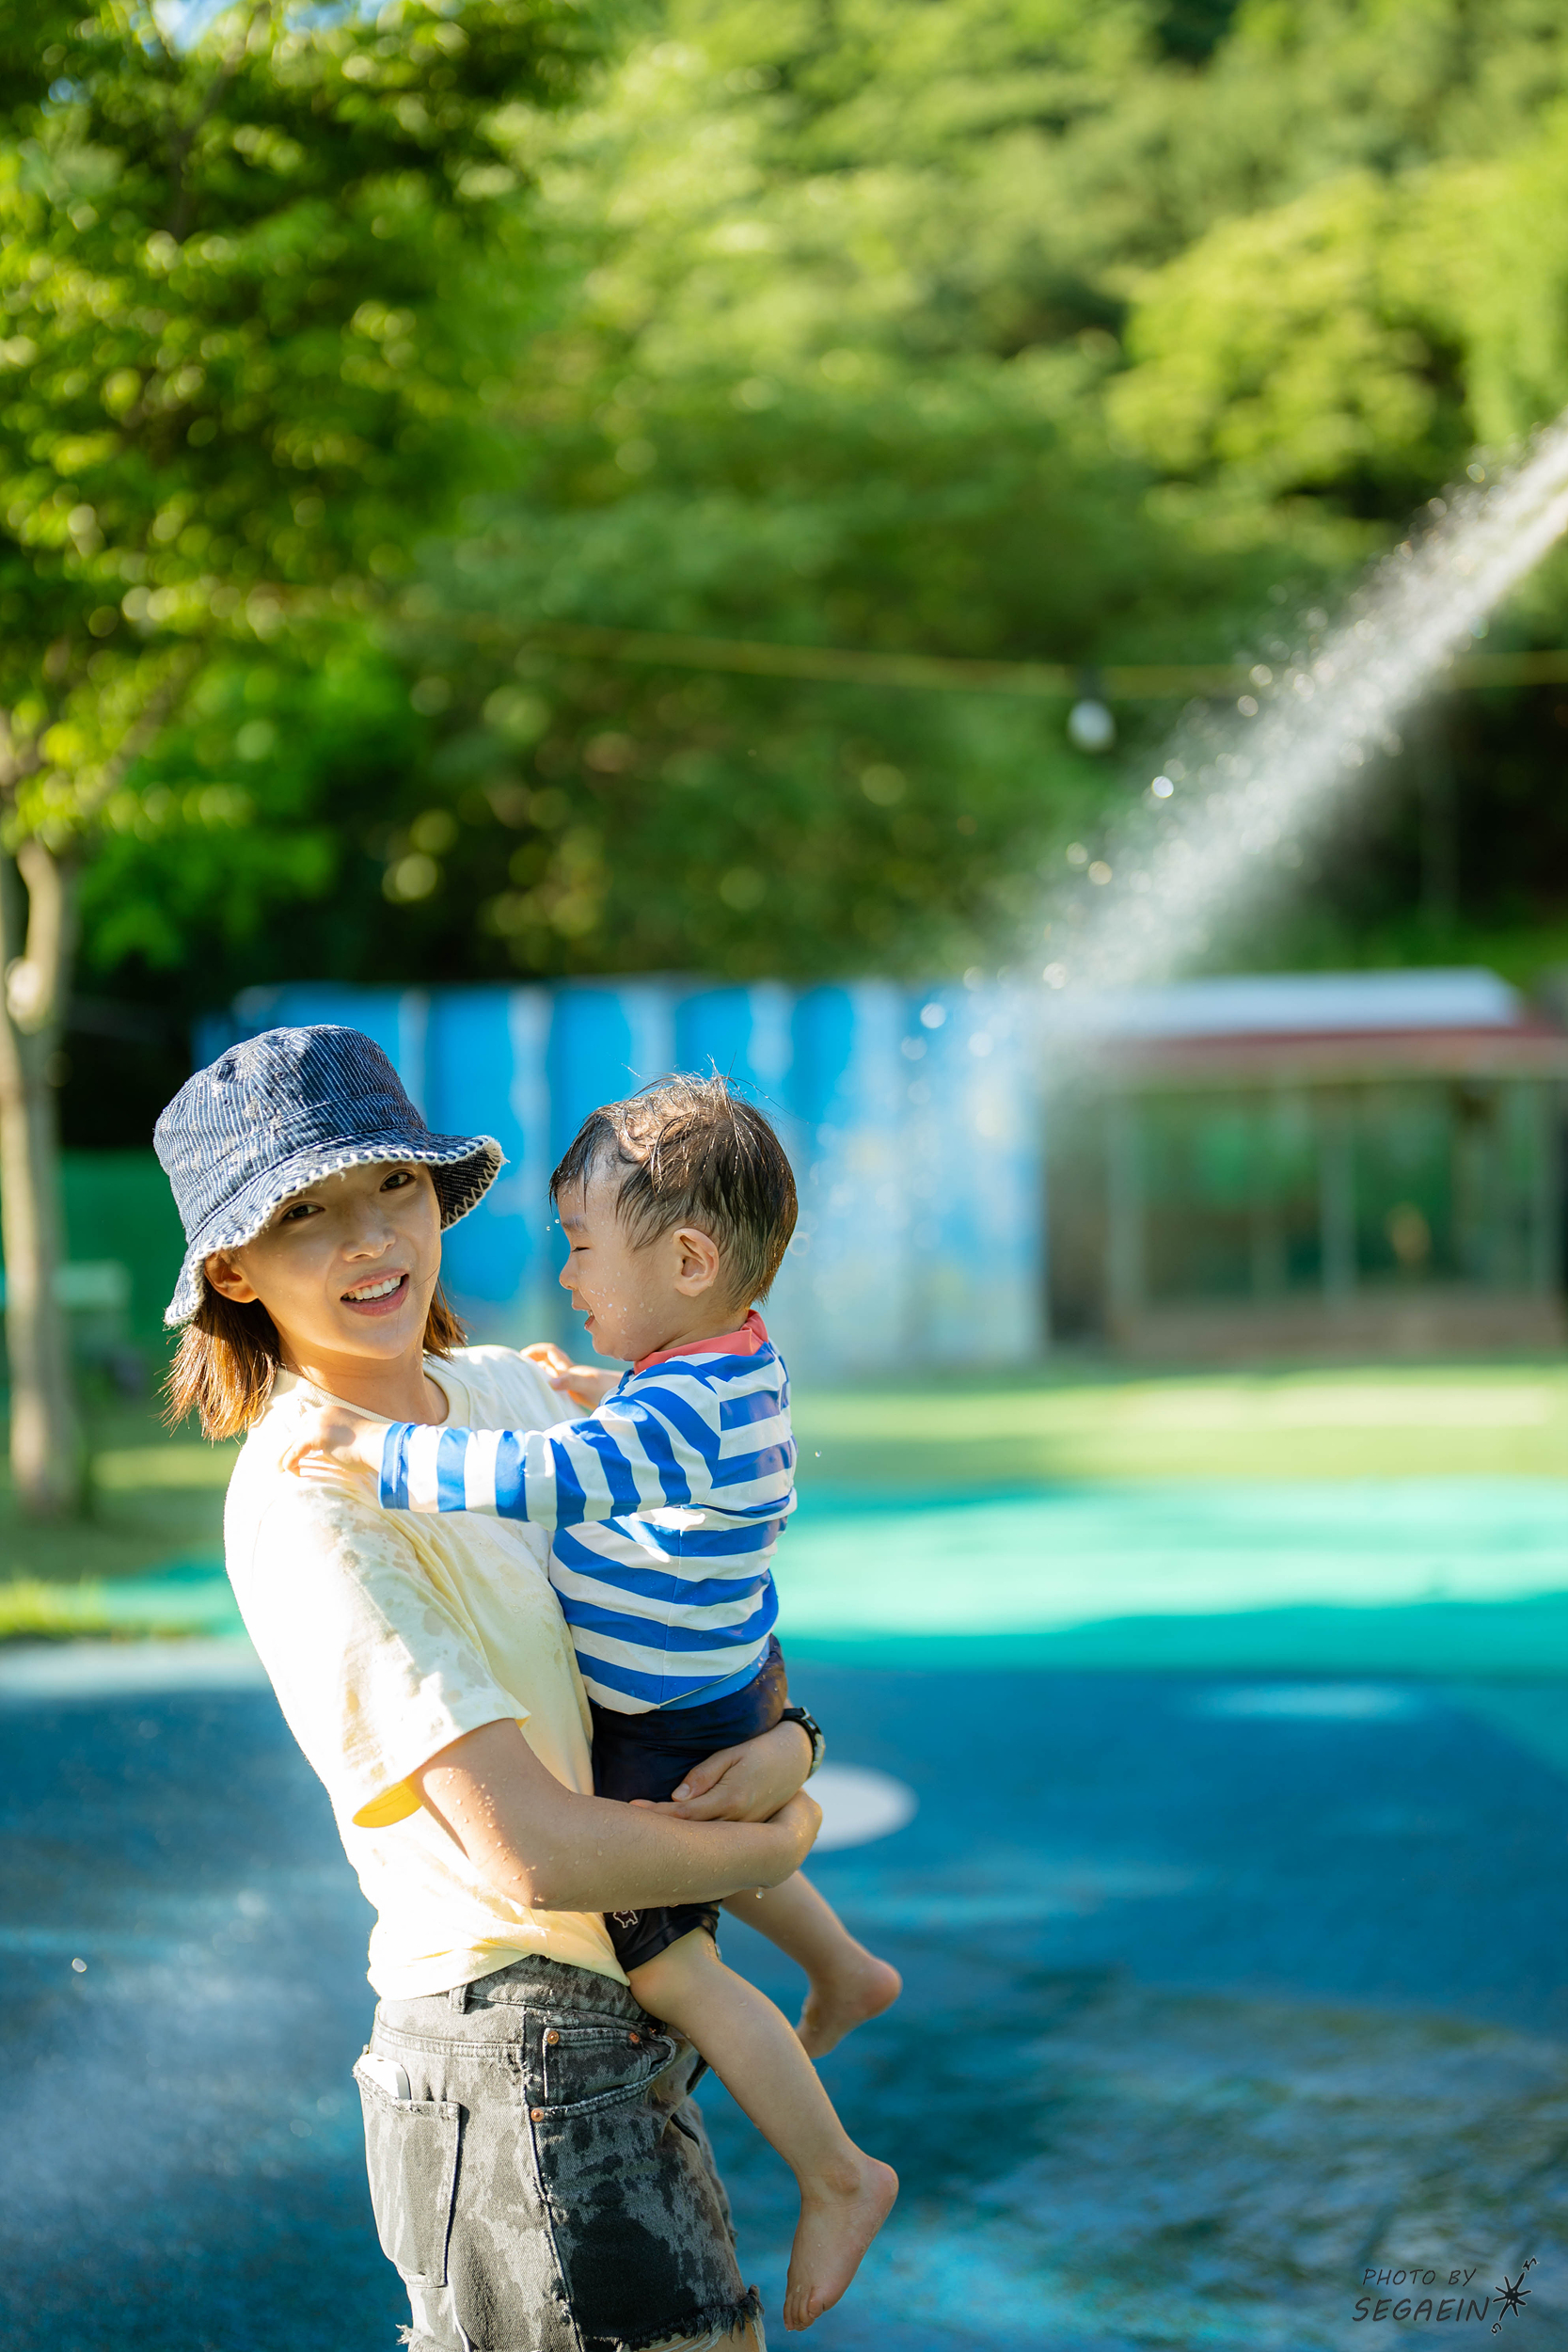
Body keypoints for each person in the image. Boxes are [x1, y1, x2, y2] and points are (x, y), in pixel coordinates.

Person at [153, 1025, 831, 2352]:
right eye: (306, 1214)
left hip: (605, 2028)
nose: (371, 1239)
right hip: (511, 2050)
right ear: (233, 1268)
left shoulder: (514, 1393)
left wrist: (790, 1744)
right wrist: (773, 1843)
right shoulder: (312, 1495)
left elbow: (699, 1608)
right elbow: (529, 1852)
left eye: (393, 1185)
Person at [291, 1076, 901, 2333]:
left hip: (671, 1716)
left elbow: (552, 1476)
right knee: (724, 1833)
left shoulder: (660, 1407)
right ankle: (843, 1964)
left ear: (687, 1262)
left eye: (580, 1247)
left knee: (681, 1973)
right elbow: (638, 1432)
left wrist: (377, 1455)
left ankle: (839, 2171)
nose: (564, 1275)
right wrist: (785, 1775)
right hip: (712, 1686)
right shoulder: (725, 1365)